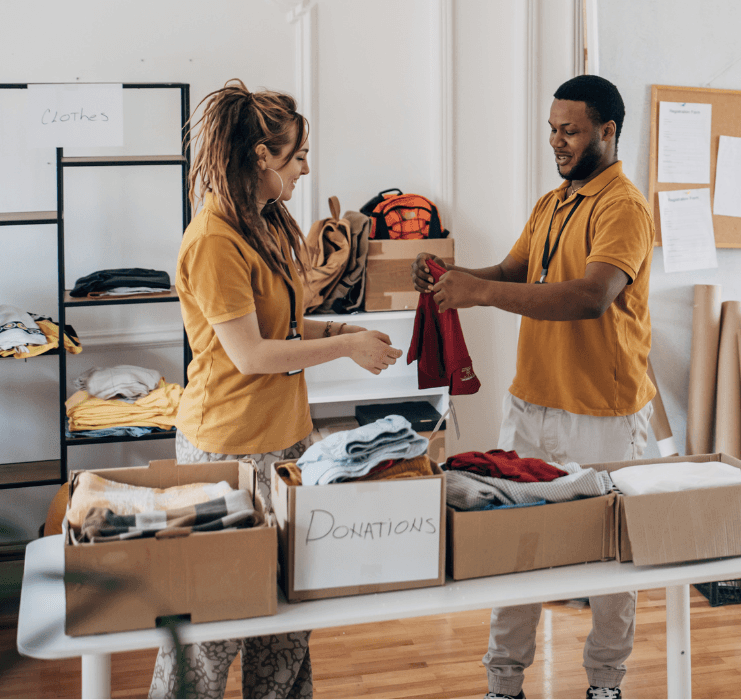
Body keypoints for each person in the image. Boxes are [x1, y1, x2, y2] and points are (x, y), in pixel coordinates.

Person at [153, 79, 402, 699]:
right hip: (226, 454)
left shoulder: (262, 225)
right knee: (212, 629)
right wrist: (344, 347)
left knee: (288, 625)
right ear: (262, 157)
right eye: (298, 155)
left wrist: (340, 326)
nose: (306, 167)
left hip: (286, 446)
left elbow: (280, 324)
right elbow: (252, 353)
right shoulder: (212, 239)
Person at [412, 74, 653, 700]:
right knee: (515, 549)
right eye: (551, 129)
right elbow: (514, 271)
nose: (557, 141)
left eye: (569, 131)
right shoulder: (552, 204)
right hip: (532, 407)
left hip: (601, 413)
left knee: (609, 559)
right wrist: (454, 275)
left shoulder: (623, 207)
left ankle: (605, 683)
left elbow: (590, 297)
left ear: (608, 132)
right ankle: (504, 682)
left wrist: (481, 292)